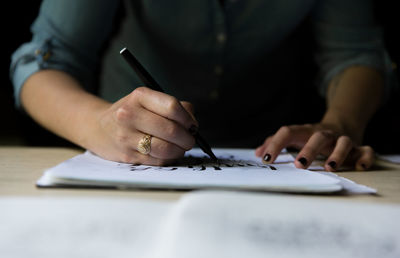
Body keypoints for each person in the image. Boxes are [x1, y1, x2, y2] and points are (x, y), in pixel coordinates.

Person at [10, 0, 395, 170]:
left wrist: (342, 123)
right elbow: (46, 58)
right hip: (129, 150)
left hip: (279, 153)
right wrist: (98, 124)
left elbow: (355, 53)